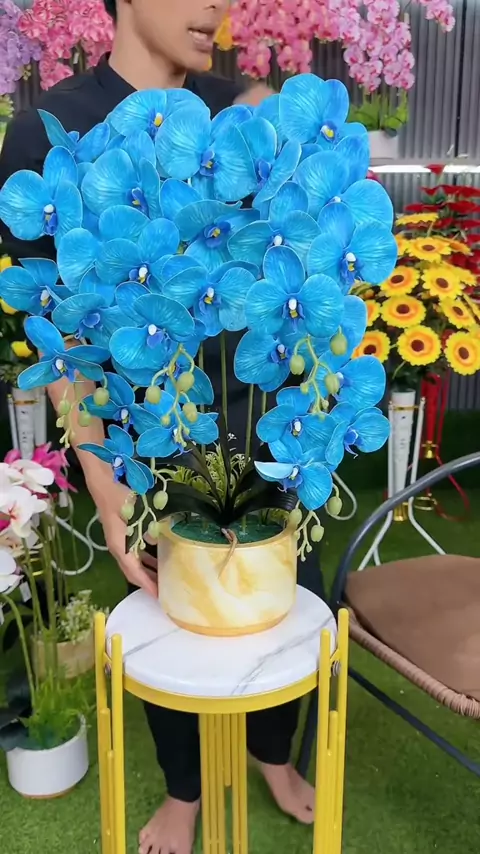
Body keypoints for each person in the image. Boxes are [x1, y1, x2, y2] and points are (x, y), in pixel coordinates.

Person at [0, 3, 324, 853]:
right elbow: (59, 338)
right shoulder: (50, 132)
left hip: (272, 419)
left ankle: (274, 754)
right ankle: (184, 790)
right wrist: (106, 485)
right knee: (169, 615)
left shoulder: (245, 110)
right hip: (152, 430)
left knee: (294, 596)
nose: (214, 5)